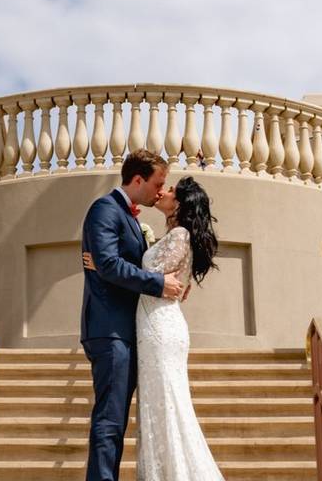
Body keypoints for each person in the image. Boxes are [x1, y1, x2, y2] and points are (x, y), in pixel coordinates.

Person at [83, 174, 224, 481]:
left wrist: (105, 265)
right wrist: (114, 265)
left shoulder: (180, 235)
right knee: (157, 405)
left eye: (171, 190)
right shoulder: (170, 235)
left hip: (160, 328)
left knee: (168, 404)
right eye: (163, 184)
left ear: (181, 204)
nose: (165, 191)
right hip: (148, 325)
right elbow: (155, 276)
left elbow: (154, 276)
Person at [80, 149, 187, 481]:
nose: (161, 191)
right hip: (111, 330)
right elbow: (110, 264)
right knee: (110, 421)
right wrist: (156, 282)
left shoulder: (131, 219)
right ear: (137, 179)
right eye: (158, 183)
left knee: (118, 420)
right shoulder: (104, 210)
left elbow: (110, 264)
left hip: (132, 331)